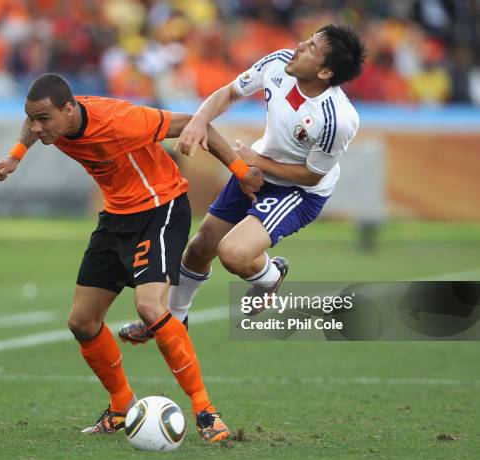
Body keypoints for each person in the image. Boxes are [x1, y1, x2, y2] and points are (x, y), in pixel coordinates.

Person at [0, 73, 263, 442]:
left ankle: (205, 410)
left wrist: (242, 173)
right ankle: (121, 407)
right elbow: (30, 123)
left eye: (44, 119)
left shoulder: (120, 121)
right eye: (32, 118)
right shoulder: (48, 121)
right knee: (82, 322)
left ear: (69, 110)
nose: (36, 128)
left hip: (160, 208)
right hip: (116, 216)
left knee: (150, 307)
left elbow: (198, 124)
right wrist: (15, 156)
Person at [119, 24, 366, 341]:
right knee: (198, 250)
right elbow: (229, 92)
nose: (301, 45)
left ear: (325, 72)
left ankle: (271, 276)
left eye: (312, 48)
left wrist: (253, 160)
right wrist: (198, 121)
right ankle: (175, 323)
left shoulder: (337, 119)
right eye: (308, 39)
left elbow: (311, 175)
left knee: (233, 254)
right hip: (259, 168)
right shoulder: (278, 62)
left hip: (298, 191)